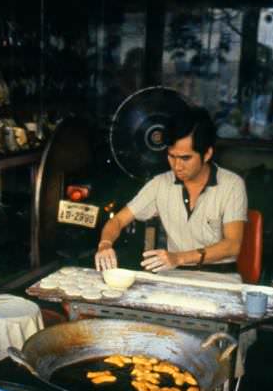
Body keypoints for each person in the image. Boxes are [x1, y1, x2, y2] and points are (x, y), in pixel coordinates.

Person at [95, 106, 247, 278]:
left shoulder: (232, 185)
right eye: (171, 156)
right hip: (176, 275)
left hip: (221, 276)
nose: (177, 166)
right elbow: (118, 221)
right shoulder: (160, 184)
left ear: (207, 154)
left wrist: (178, 258)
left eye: (185, 158)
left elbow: (232, 245)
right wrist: (105, 244)